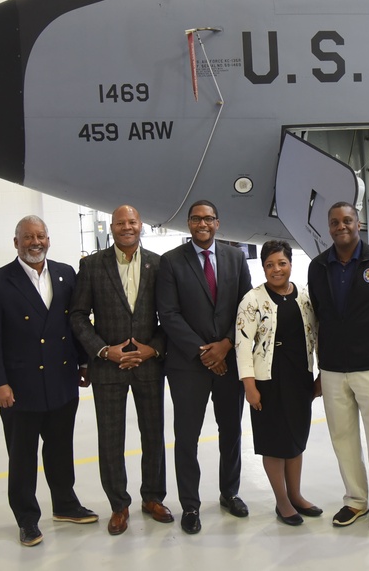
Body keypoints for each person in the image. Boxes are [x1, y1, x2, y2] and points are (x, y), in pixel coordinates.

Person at [0, 216, 97, 547]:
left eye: (40, 235)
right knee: (23, 456)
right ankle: (27, 518)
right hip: (19, 388)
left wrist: (83, 363)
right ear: (16, 243)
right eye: (27, 237)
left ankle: (65, 504)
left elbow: (75, 324)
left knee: (60, 450)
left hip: (61, 381)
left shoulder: (65, 274)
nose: (35, 242)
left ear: (49, 239)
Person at [69, 205, 173, 535]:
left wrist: (153, 347)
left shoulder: (159, 264)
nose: (126, 227)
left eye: (132, 222)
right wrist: (103, 350)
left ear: (141, 225)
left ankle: (153, 497)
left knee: (154, 435)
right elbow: (77, 315)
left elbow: (170, 315)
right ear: (111, 227)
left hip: (148, 364)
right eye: (120, 223)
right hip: (108, 367)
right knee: (111, 439)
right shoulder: (92, 265)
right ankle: (119, 505)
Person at [156, 200, 253, 535]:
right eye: (196, 218)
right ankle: (191, 505)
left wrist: (226, 345)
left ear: (217, 222)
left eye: (208, 218)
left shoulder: (236, 257)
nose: (202, 223)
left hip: (229, 360)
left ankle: (230, 493)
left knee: (231, 431)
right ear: (188, 223)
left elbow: (246, 308)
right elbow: (168, 314)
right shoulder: (170, 262)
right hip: (188, 365)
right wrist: (203, 352)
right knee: (187, 437)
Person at [308, 202, 369, 531]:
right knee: (343, 437)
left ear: (358, 224)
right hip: (334, 368)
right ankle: (355, 500)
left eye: (347, 220)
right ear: (329, 227)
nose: (341, 226)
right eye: (334, 222)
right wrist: (321, 369)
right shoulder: (318, 267)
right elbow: (320, 316)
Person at [236, 240, 322, 527]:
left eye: (281, 263)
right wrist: (249, 386)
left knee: (296, 439)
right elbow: (242, 345)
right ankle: (282, 501)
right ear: (262, 268)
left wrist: (319, 373)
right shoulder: (252, 300)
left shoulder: (304, 297)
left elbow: (317, 335)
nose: (276, 269)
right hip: (267, 380)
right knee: (274, 443)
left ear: (290, 265)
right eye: (270, 265)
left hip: (299, 376)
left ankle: (296, 495)